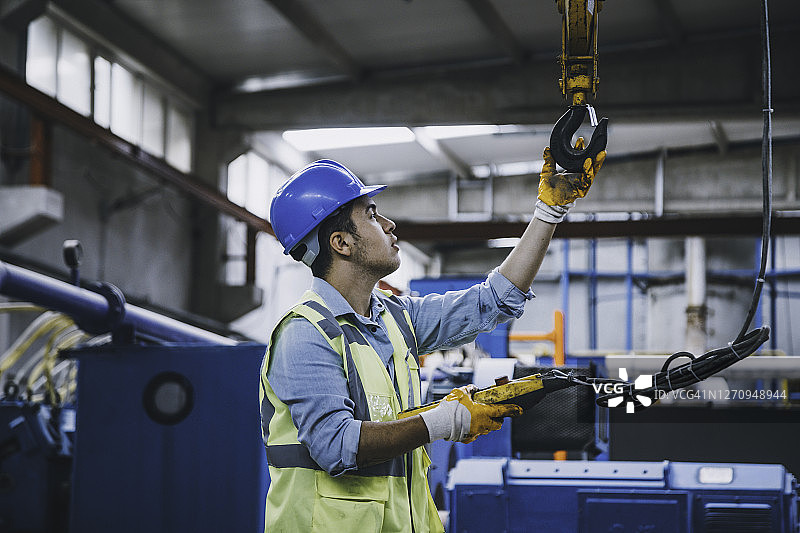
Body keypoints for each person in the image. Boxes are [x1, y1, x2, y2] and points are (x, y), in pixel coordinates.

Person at [260, 140, 605, 532]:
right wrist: (446, 419)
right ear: (341, 243)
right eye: (372, 215)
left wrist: (549, 210)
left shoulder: (395, 317)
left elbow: (492, 301)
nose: (390, 225)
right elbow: (337, 447)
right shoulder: (305, 333)